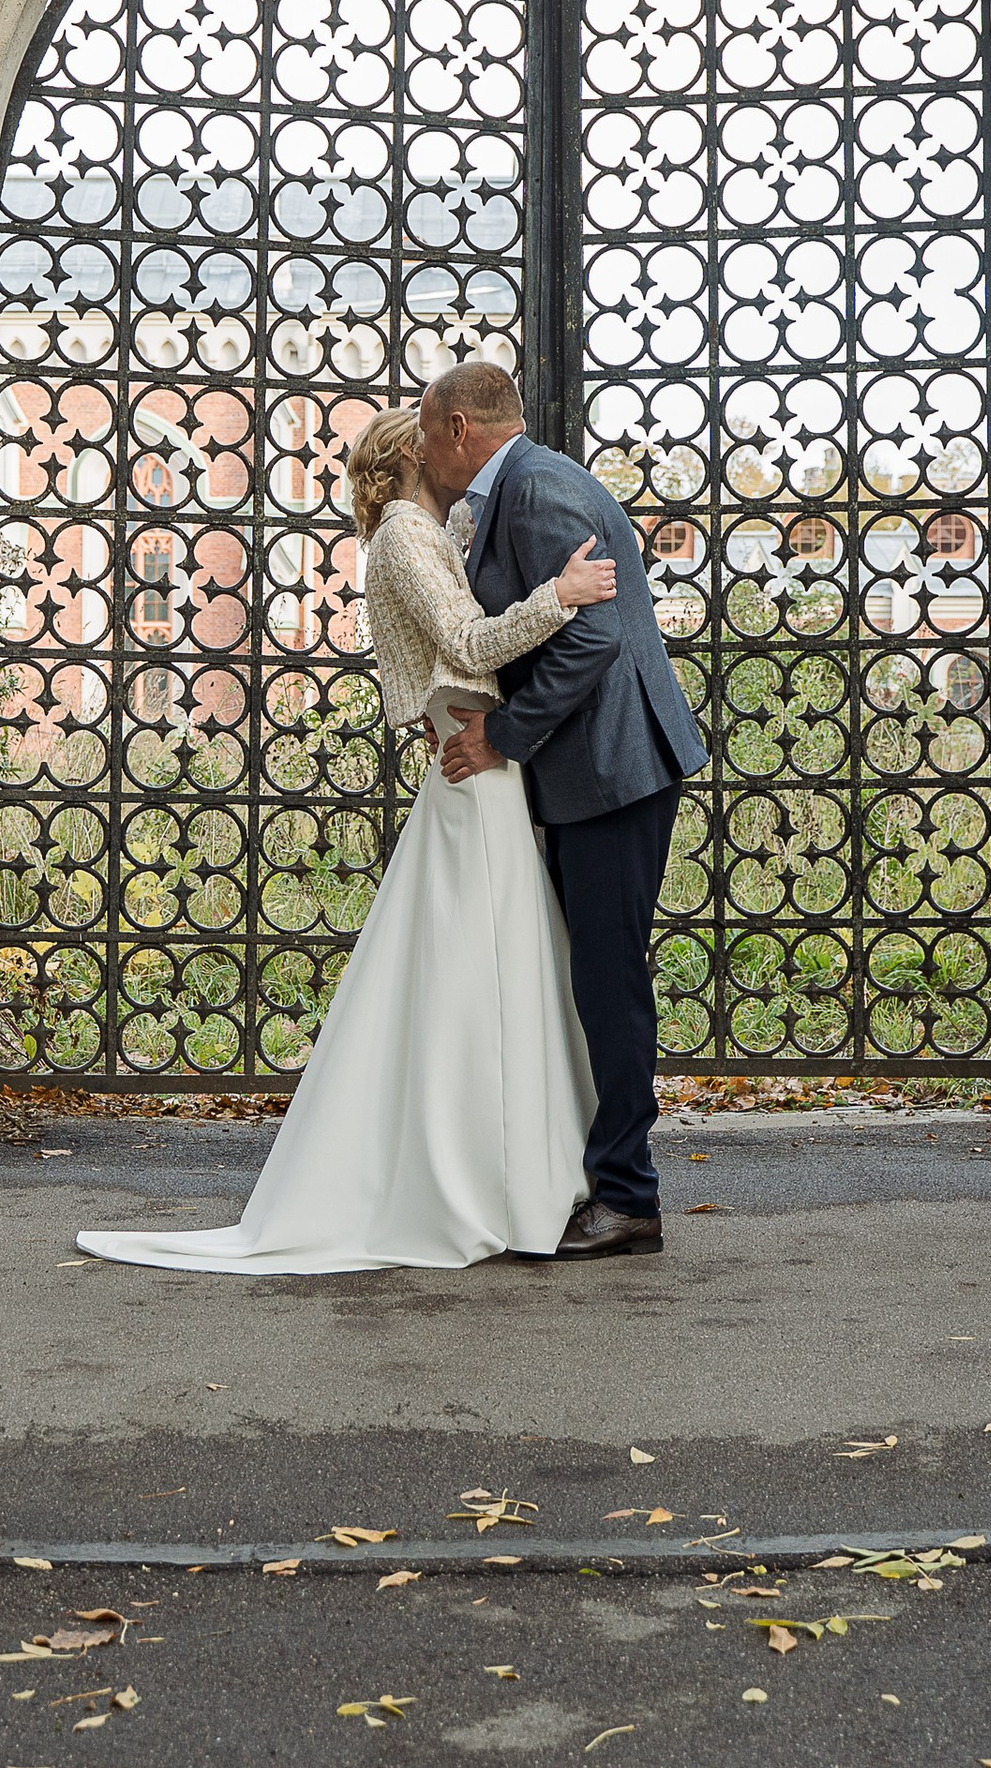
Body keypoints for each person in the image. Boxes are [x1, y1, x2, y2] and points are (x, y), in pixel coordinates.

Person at [75, 404, 617, 1274]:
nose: (456, 449)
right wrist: (562, 595)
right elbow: (469, 640)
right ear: (416, 451)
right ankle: (486, 1181)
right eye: (438, 435)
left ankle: (520, 1173)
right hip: (471, 766)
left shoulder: (427, 529)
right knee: (477, 976)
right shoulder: (404, 533)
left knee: (491, 970)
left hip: (482, 766)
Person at [422, 360, 706, 1259]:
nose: (426, 452)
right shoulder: (528, 486)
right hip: (593, 771)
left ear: (461, 428)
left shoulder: (539, 489)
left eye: (430, 433)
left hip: (613, 771)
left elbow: (595, 632)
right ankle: (594, 1177)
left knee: (607, 982)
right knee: (589, 978)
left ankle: (628, 1197)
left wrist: (504, 739)